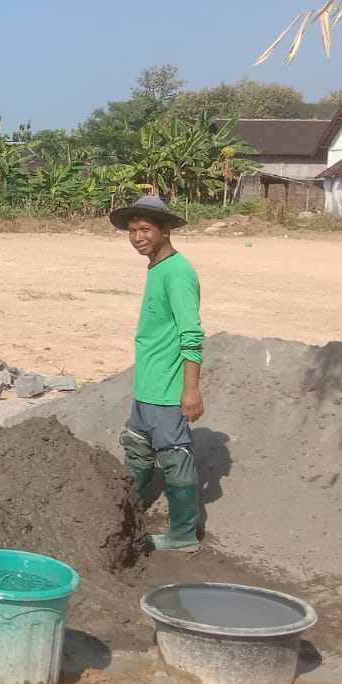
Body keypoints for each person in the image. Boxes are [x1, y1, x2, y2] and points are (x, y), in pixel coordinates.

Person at [110, 195, 205, 552]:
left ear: (165, 230)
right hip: (146, 386)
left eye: (145, 229)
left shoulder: (178, 273)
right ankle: (125, 514)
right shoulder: (156, 268)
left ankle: (183, 535)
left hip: (167, 389)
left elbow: (191, 335)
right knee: (137, 450)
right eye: (132, 230)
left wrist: (190, 389)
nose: (137, 237)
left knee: (174, 454)